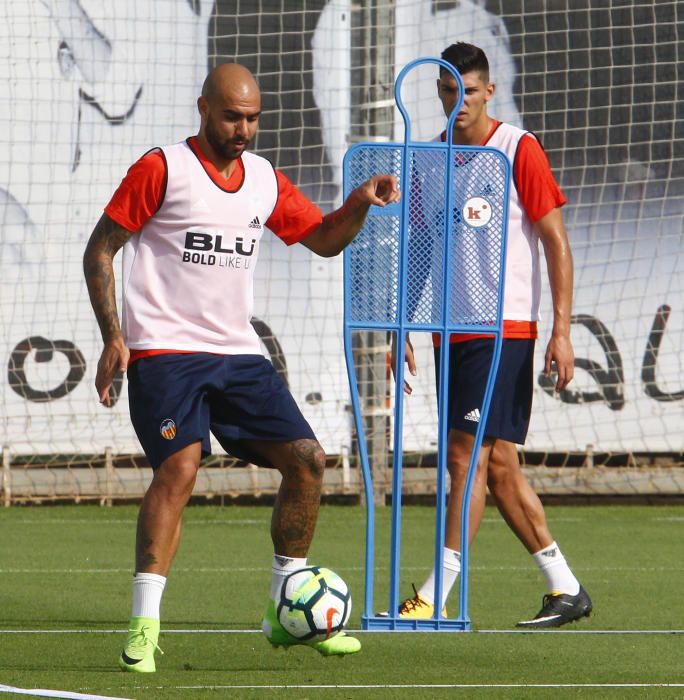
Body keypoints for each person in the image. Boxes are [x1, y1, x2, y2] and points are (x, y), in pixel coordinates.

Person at [83, 63, 400, 672]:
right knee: (180, 466)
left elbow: (326, 240)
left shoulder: (263, 180)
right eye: (233, 116)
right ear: (204, 108)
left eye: (253, 118)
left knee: (308, 461)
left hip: (236, 353)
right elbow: (101, 249)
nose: (244, 129)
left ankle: (287, 608)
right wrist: (113, 337)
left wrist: (359, 203)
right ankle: (144, 627)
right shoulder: (161, 168)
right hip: (166, 353)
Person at [392, 43, 592, 628]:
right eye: (448, 91)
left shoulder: (516, 149)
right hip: (448, 332)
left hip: (503, 329)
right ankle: (565, 588)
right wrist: (404, 321)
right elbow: (422, 249)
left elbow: (555, 241)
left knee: (462, 459)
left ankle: (431, 597)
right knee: (497, 465)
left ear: (489, 92)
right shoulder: (428, 158)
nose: (457, 103)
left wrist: (561, 331)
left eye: (469, 92)